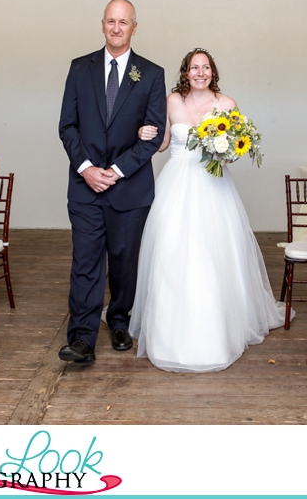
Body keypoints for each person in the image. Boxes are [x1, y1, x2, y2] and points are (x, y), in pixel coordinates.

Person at [128, 48, 285, 372]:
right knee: (172, 251)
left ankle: (215, 333)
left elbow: (237, 149)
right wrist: (143, 132)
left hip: (214, 186)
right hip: (176, 183)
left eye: (206, 67)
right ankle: (167, 335)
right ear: (185, 72)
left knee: (214, 254)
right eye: (194, 67)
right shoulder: (172, 101)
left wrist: (227, 154)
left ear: (213, 72)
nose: (200, 72)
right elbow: (162, 143)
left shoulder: (227, 104)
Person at [57, 0, 166, 364]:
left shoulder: (151, 73)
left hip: (130, 188)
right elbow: (67, 126)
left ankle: (119, 320)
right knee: (85, 262)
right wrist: (87, 168)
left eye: (123, 22)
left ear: (135, 27)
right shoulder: (78, 68)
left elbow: (153, 136)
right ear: (102, 25)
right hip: (84, 187)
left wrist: (116, 171)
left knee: (124, 261)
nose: (116, 28)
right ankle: (82, 339)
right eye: (110, 21)